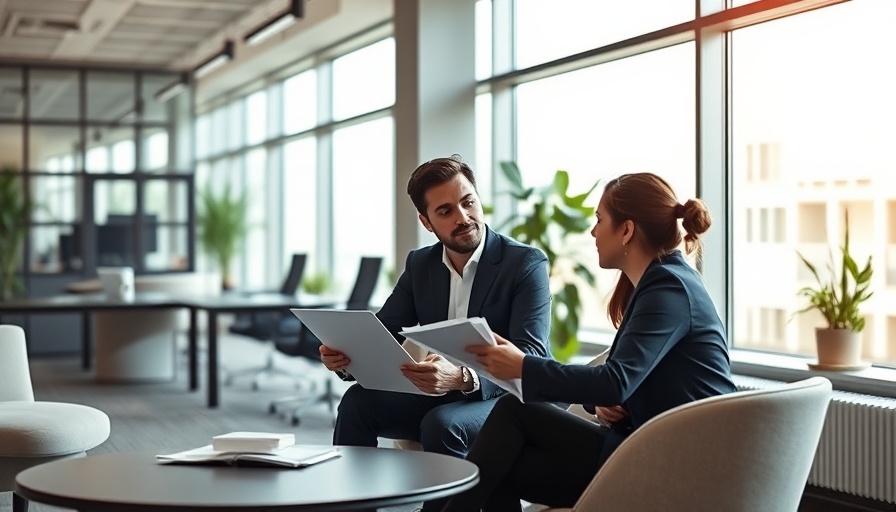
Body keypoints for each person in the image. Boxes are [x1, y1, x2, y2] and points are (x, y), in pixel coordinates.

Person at [440, 172, 738, 512]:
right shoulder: (662, 281)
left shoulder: (668, 288)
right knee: (502, 451)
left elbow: (615, 381)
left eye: (599, 220)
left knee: (505, 439)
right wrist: (602, 403)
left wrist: (522, 365)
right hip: (645, 444)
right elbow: (630, 380)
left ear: (626, 230)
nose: (593, 231)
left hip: (672, 463)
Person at [319, 155, 552, 509]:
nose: (463, 217)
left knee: (442, 423)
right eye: (445, 211)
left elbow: (531, 354)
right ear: (426, 222)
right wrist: (346, 358)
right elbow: (383, 332)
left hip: (505, 399)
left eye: (468, 202)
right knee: (356, 405)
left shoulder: (524, 263)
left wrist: (462, 377)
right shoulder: (421, 265)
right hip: (442, 393)